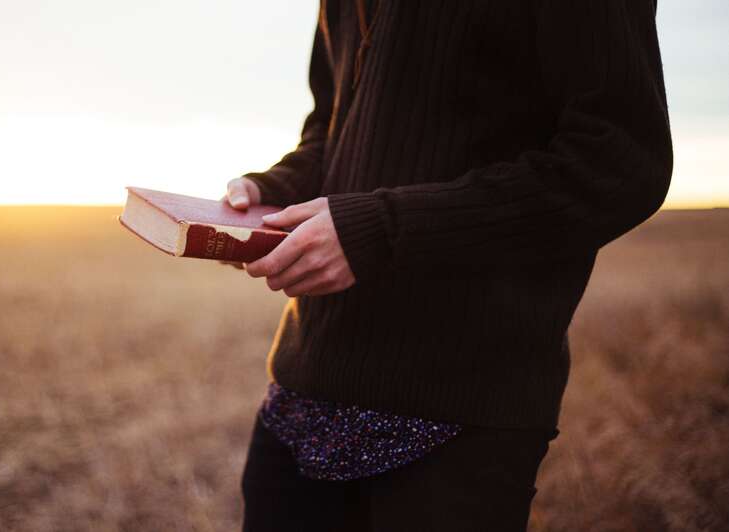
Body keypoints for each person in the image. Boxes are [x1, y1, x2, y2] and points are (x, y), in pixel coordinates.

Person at [224, 0, 672, 530]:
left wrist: (383, 232)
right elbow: (333, 128)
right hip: (304, 398)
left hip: (458, 418)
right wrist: (274, 191)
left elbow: (619, 162)